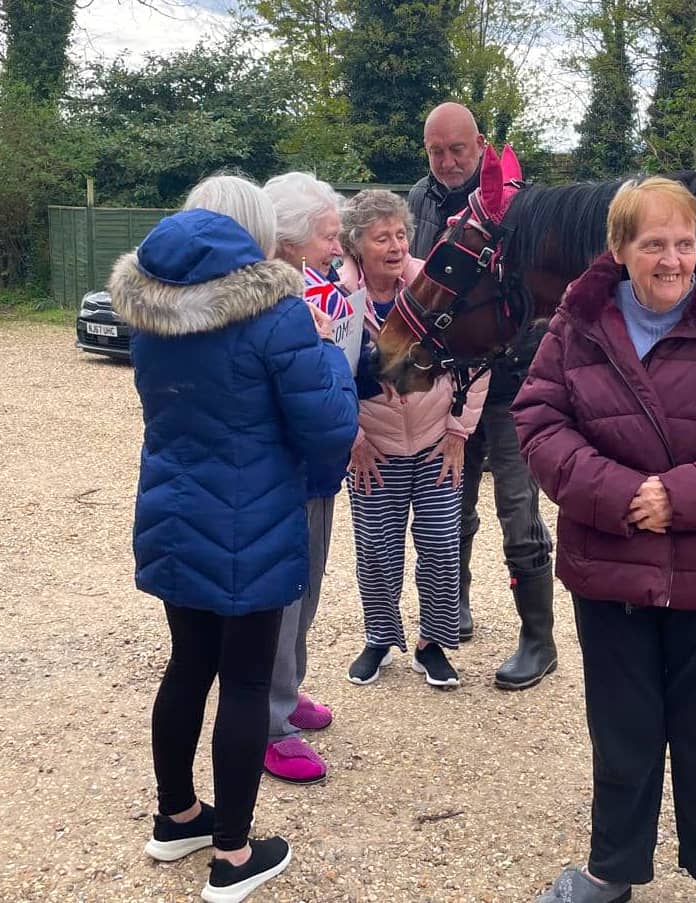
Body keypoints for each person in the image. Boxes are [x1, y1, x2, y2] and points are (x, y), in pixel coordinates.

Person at [513, 177, 696, 903]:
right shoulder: (577, 321)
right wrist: (622, 496)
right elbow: (539, 421)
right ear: (619, 250)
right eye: (654, 244)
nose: (673, 259)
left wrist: (676, 498)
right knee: (623, 732)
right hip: (612, 566)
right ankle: (614, 867)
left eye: (684, 242)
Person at [111, 174, 358, 903]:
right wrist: (320, 349)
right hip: (252, 519)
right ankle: (234, 853)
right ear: (252, 231)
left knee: (188, 665)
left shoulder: (150, 313)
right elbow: (330, 423)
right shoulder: (278, 311)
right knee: (247, 680)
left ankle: (178, 814)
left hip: (173, 511)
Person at [409, 100, 557, 690]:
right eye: (435, 152)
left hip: (513, 379)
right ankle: (457, 606)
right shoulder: (418, 200)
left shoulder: (518, 203)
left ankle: (537, 640)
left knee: (518, 510)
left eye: (457, 150)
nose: (446, 162)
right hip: (449, 378)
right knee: (453, 500)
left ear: (480, 145)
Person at [338, 189, 488, 689]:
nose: (396, 244)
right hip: (372, 448)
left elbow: (478, 354)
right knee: (376, 549)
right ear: (358, 245)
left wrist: (458, 427)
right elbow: (323, 374)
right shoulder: (339, 300)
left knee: (443, 544)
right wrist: (351, 436)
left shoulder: (437, 285)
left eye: (401, 234)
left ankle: (433, 644)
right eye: (382, 237)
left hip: (434, 443)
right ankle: (380, 638)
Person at [257, 172, 353, 785]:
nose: (336, 246)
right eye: (327, 235)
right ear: (291, 238)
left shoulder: (315, 287)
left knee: (310, 584)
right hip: (286, 469)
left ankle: (287, 692)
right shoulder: (274, 300)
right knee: (283, 600)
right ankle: (269, 724)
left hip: (318, 469)